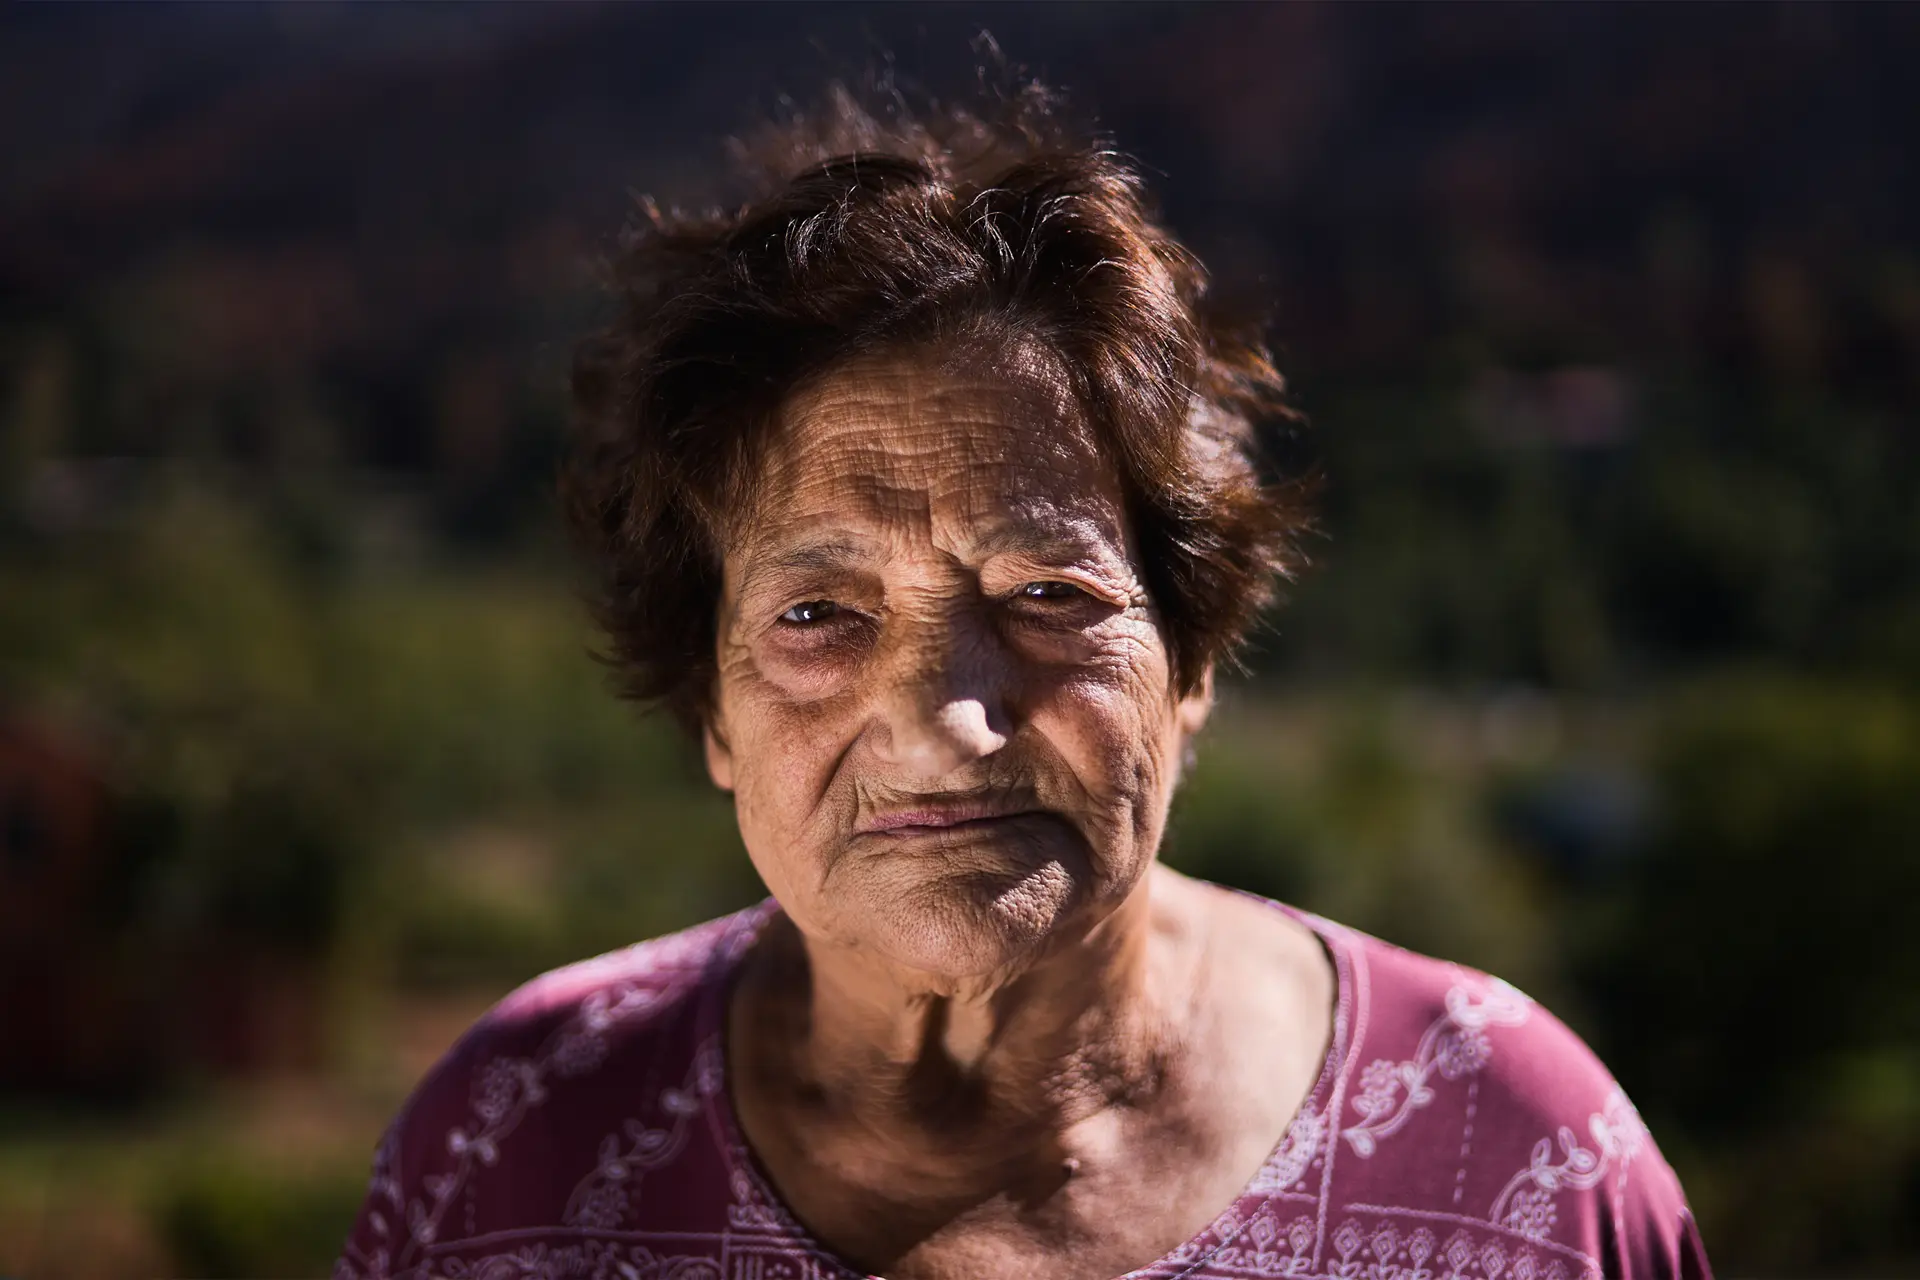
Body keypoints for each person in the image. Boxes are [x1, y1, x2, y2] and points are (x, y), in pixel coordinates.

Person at [336, 73, 1711, 1280]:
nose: (947, 724)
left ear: (1193, 659)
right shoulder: (511, 1151)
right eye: (819, 613)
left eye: (1049, 596)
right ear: (710, 708)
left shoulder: (1511, 1151)